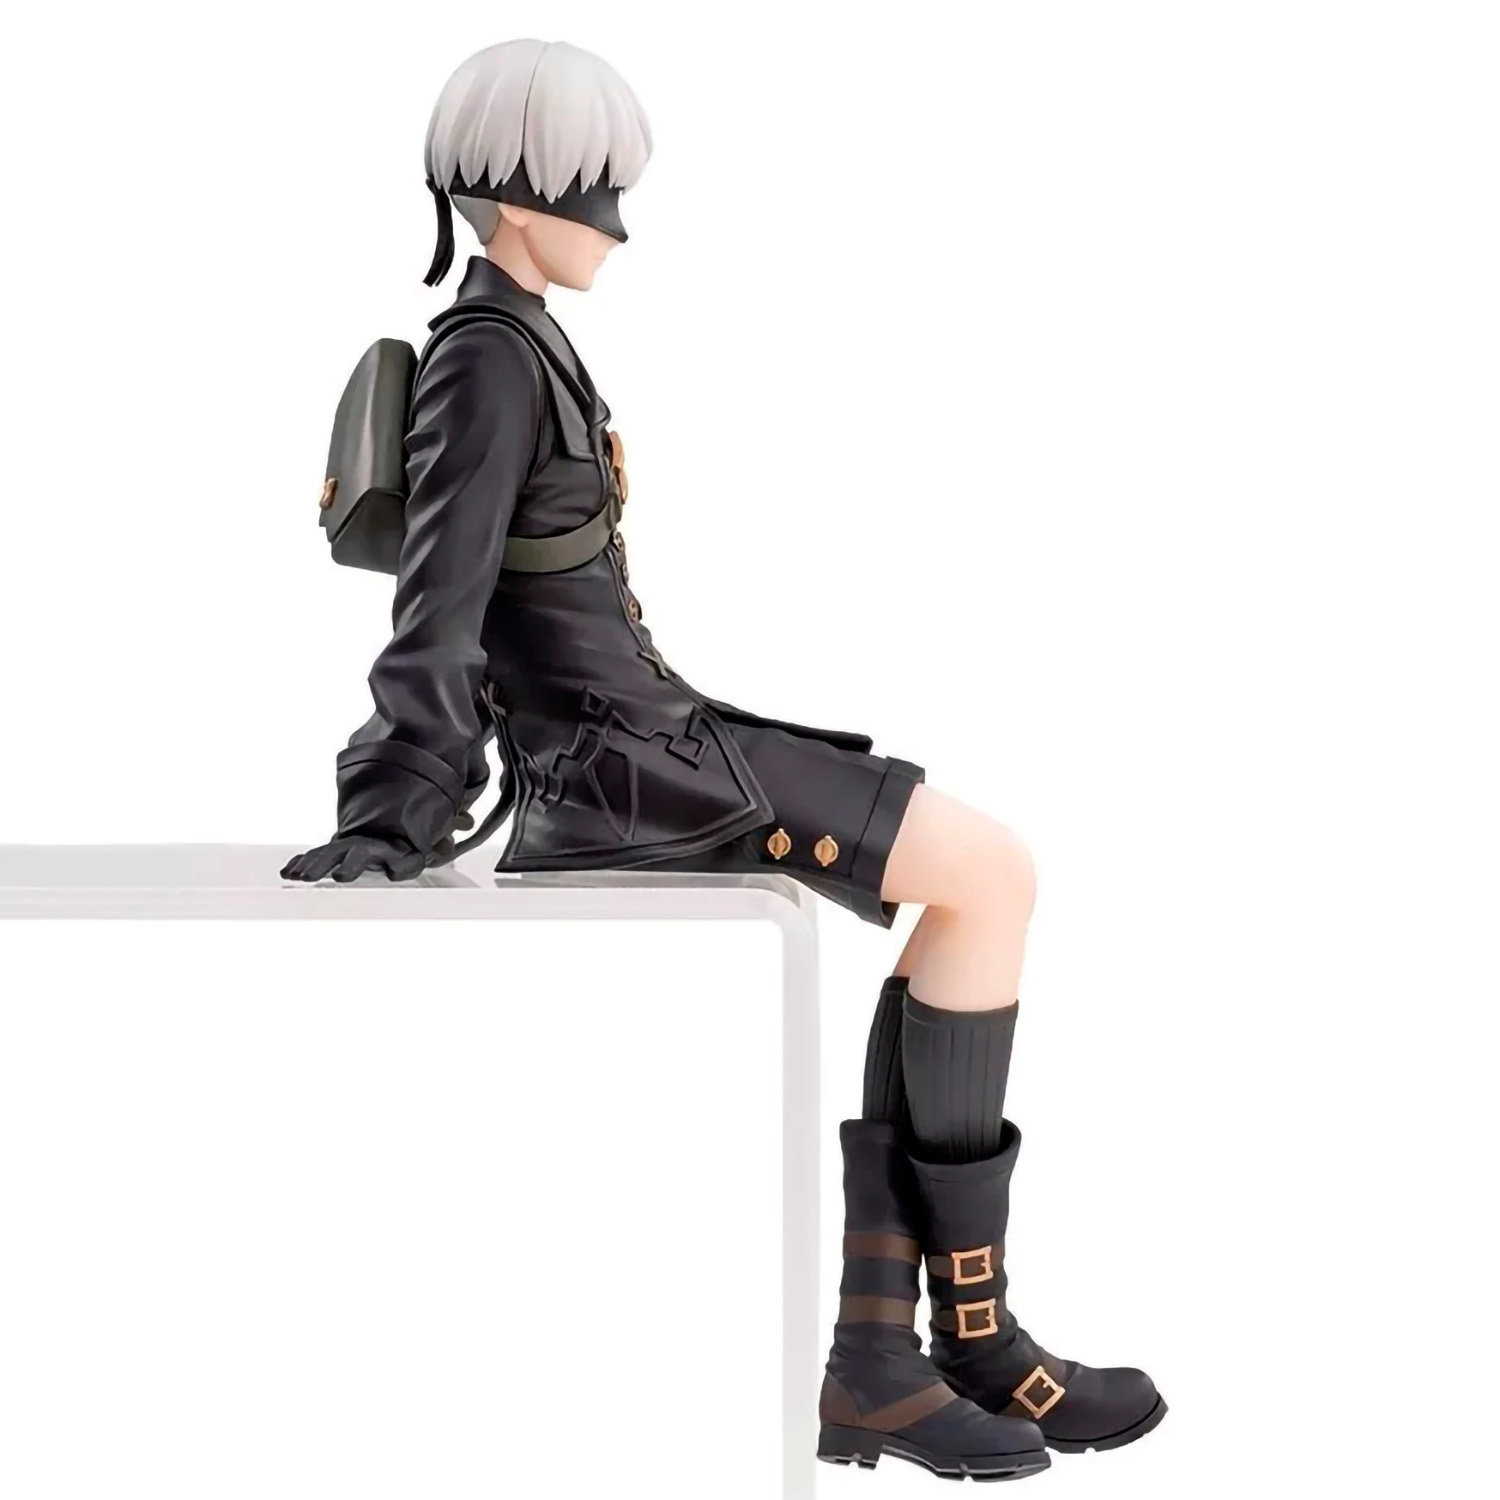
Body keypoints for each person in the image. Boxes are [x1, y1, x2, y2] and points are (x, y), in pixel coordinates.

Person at [283, 38, 1165, 1480]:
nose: (618, 224)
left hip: (647, 742)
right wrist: (397, 802)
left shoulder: (521, 342)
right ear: (517, 194)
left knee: (980, 888)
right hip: (626, 774)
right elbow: (437, 607)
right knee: (993, 875)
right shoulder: (488, 358)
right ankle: (938, 1346)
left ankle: (919, 1350)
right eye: (597, 192)